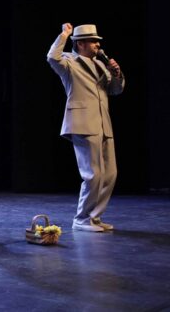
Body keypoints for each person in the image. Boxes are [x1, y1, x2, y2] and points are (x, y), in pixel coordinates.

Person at [47, 23, 124, 232]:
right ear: (81, 44)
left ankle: (95, 217)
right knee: (93, 174)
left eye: (98, 42)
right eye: (94, 41)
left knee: (110, 174)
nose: (98, 45)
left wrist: (116, 74)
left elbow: (115, 90)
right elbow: (52, 57)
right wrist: (64, 34)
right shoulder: (69, 62)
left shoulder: (100, 64)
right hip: (83, 122)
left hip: (103, 122)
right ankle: (82, 219)